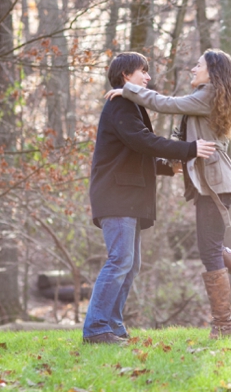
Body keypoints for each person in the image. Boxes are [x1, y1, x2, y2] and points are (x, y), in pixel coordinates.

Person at [107, 49, 231, 339]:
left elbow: (165, 104)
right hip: (213, 182)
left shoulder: (209, 93)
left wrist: (127, 90)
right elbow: (184, 137)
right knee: (211, 246)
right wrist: (171, 163)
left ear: (212, 72)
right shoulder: (206, 97)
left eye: (198, 65)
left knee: (210, 250)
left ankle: (225, 324)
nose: (192, 69)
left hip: (217, 183)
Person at [83, 52, 216, 345]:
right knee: (120, 261)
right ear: (125, 76)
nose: (148, 77)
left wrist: (168, 167)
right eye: (143, 71)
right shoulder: (120, 105)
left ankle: (113, 327)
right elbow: (143, 142)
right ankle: (96, 329)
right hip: (116, 196)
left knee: (130, 264)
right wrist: (188, 149)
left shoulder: (131, 107)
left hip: (127, 196)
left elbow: (135, 153)